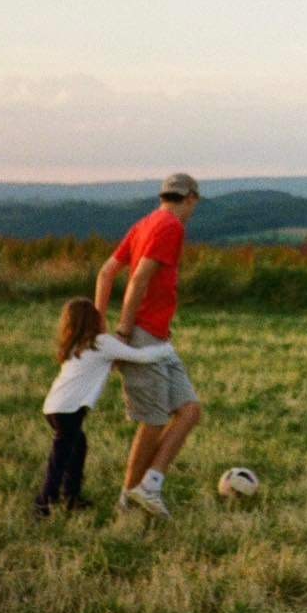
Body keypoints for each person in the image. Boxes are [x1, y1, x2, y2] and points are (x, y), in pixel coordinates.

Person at [95, 171, 202, 520]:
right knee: (154, 421)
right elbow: (139, 277)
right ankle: (128, 501)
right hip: (142, 336)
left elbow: (106, 272)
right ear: (191, 199)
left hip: (159, 340)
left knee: (189, 411)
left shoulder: (145, 223)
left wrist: (100, 327)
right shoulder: (171, 227)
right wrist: (122, 332)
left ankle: (148, 486)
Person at [34, 297, 172, 518]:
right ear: (93, 320)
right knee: (60, 458)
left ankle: (71, 496)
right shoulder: (101, 343)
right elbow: (141, 357)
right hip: (69, 410)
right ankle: (44, 503)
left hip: (54, 408)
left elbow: (106, 365)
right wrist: (166, 348)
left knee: (77, 448)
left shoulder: (76, 346)